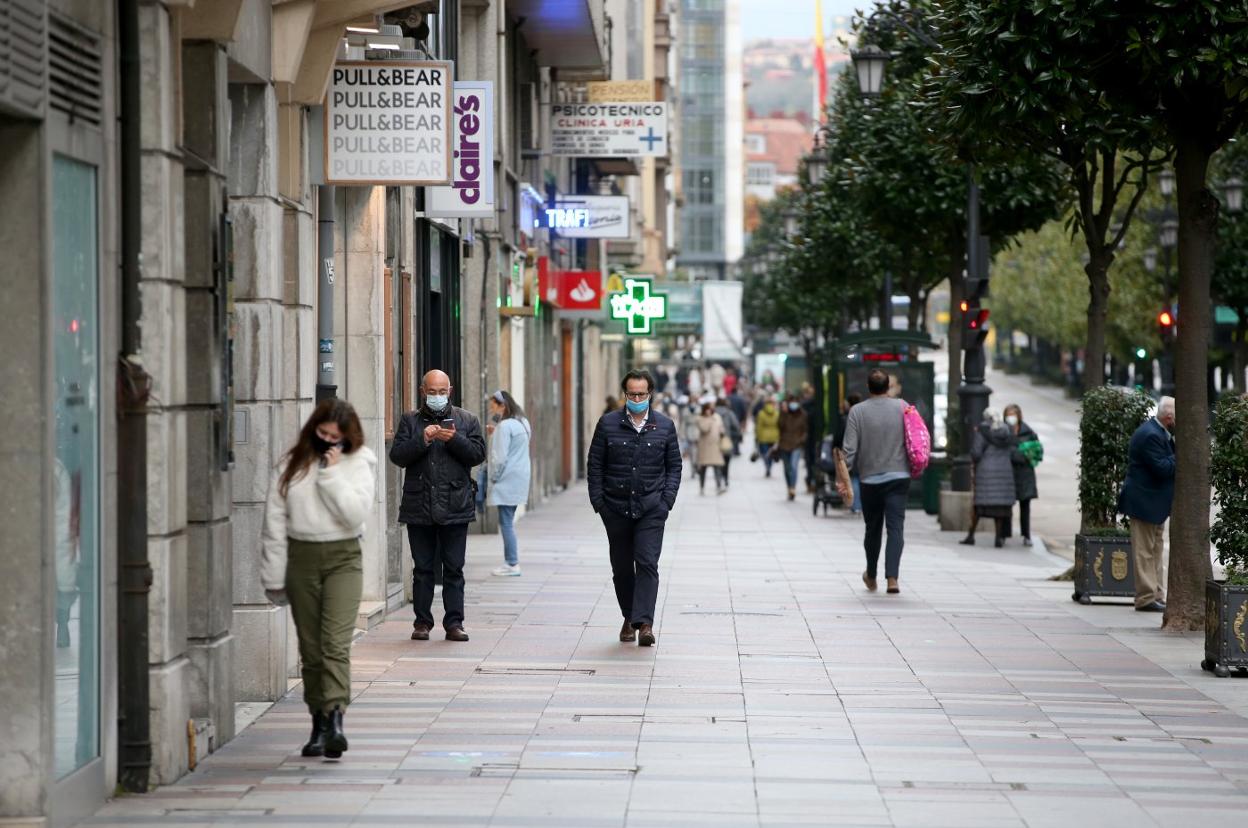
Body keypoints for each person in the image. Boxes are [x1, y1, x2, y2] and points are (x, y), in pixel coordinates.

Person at [261, 399, 377, 759]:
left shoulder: (360, 462)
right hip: (301, 558)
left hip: (344, 558)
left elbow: (356, 515)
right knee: (311, 651)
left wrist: (331, 474)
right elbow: (274, 524)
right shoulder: (291, 464)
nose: (327, 442)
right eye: (322, 434)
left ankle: (336, 720)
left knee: (334, 645)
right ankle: (318, 723)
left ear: (348, 438)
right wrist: (273, 575)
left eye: (336, 437)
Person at [587, 369, 682, 647]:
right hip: (615, 508)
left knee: (647, 562)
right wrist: (599, 503)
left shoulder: (664, 425)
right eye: (632, 394)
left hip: (652, 507)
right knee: (622, 568)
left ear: (650, 394)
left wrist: (666, 501)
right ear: (625, 394)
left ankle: (645, 624)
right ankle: (629, 617)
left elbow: (674, 466)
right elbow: (595, 464)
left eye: (642, 394)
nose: (637, 398)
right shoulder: (608, 424)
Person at [390, 370, 486, 642]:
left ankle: (454, 623)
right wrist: (424, 439)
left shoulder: (466, 420)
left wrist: (453, 439)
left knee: (454, 567)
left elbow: (478, 454)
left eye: (441, 391)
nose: (436, 396)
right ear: (422, 391)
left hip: (455, 505)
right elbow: (397, 456)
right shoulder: (410, 420)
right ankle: (422, 623)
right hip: (419, 505)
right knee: (423, 569)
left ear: (450, 390)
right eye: (431, 391)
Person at [843, 370, 909, 594]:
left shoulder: (857, 412)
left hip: (870, 479)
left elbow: (849, 451)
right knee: (896, 528)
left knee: (872, 529)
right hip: (899, 477)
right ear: (888, 386)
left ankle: (871, 575)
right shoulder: (902, 407)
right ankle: (892, 578)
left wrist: (842, 478)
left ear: (868, 387)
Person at [1118, 396, 1176, 613]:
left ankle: (1156, 593)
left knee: (1155, 549)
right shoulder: (1151, 434)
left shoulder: (1159, 431)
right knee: (1144, 552)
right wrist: (1181, 455)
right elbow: (1161, 468)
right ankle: (1145, 597)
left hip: (1155, 505)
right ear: (1169, 417)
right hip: (1144, 503)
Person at [486, 390, 531, 577]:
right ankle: (511, 561)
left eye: (494, 405)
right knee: (508, 520)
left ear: (502, 405)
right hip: (520, 475)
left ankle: (512, 562)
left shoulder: (505, 426)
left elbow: (499, 457)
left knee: (505, 522)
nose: (491, 409)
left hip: (506, 478)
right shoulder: (523, 422)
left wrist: (494, 478)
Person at [963, 408, 1018, 548]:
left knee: (979, 505)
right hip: (1004, 472)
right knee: (1000, 507)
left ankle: (971, 535)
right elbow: (1013, 449)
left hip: (986, 473)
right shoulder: (1007, 431)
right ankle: (998, 538)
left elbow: (976, 453)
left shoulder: (983, 431)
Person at [1005, 404, 1042, 547]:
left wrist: (1020, 454)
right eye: (1008, 414)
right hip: (1009, 472)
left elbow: (1036, 451)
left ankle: (1026, 535)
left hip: (1025, 474)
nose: (1011, 418)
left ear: (1019, 416)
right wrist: (1019, 453)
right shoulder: (1003, 431)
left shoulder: (1028, 432)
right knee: (1007, 505)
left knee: (1025, 506)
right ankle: (1004, 533)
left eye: (1013, 414)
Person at [777, 393, 809, 501]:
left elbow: (805, 430)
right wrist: (783, 413)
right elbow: (779, 426)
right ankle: (789, 487)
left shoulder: (803, 415)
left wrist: (802, 440)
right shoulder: (785, 414)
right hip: (784, 444)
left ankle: (793, 488)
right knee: (787, 468)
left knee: (794, 466)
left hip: (797, 444)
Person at [695, 401, 728, 495]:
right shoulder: (700, 418)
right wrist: (709, 419)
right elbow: (704, 429)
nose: (710, 411)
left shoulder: (717, 417)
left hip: (715, 446)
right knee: (703, 469)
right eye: (708, 409)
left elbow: (721, 427)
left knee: (717, 467)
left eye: (711, 409)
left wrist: (722, 432)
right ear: (704, 409)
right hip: (705, 448)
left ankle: (719, 486)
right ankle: (702, 488)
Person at [715, 397, 742, 484]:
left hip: (715, 441)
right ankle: (725, 478)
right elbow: (736, 426)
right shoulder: (729, 413)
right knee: (726, 461)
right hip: (726, 440)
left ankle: (718, 478)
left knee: (717, 461)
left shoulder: (712, 413)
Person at [801, 383, 821, 494]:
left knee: (810, 461)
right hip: (814, 437)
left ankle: (810, 481)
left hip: (808, 438)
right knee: (813, 460)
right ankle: (813, 481)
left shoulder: (804, 406)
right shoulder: (816, 406)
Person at [754, 395, 781, 477]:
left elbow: (759, 426)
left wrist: (757, 437)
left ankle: (767, 467)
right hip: (774, 436)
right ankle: (770, 466)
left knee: (765, 454)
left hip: (763, 437)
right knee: (772, 454)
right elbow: (779, 426)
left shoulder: (761, 413)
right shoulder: (777, 413)